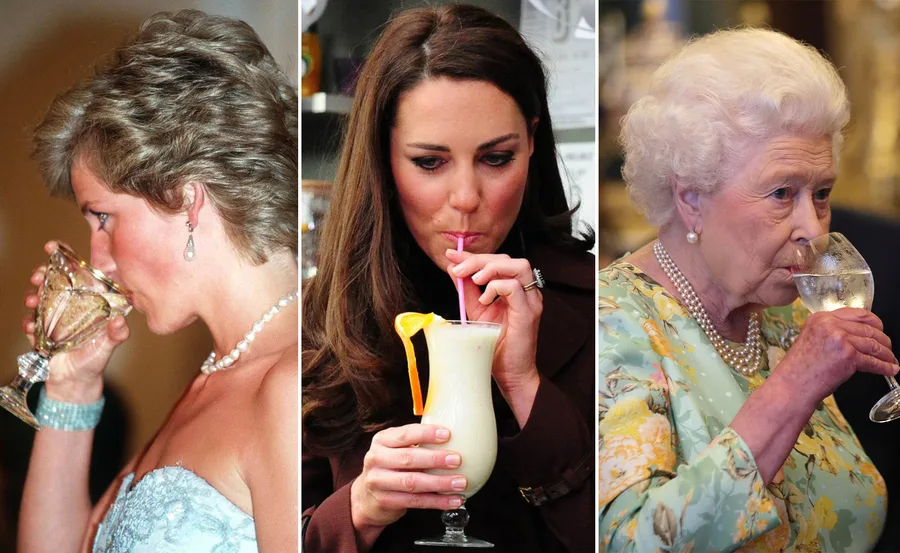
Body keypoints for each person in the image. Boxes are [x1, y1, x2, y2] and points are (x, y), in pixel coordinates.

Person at [301, 4, 595, 552]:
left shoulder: (600, 306)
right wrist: (358, 510)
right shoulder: (321, 320)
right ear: (384, 157)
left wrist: (523, 384)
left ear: (532, 141)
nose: (465, 199)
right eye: (430, 162)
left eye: (496, 158)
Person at [598, 28, 897, 551]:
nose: (813, 227)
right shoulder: (613, 323)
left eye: (822, 193)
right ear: (691, 198)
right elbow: (632, 541)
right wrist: (794, 387)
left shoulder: (786, 315)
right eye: (782, 193)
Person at [17, 10, 298, 552]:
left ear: (186, 198)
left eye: (103, 217)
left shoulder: (286, 387)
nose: (99, 262)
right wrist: (72, 387)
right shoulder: (215, 377)